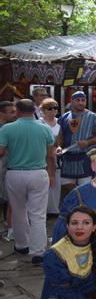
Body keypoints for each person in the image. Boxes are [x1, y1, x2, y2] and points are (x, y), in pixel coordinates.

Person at [0, 99, 56, 264]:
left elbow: (1, 151)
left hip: (15, 173)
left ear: (17, 110)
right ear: (34, 110)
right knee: (38, 214)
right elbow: (50, 155)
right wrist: (51, 174)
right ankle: (38, 252)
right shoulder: (45, 128)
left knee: (18, 211)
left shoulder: (7, 129)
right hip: (39, 173)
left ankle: (22, 245)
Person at [58, 91, 96, 188]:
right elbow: (60, 136)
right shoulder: (64, 117)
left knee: (85, 188)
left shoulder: (93, 117)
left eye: (83, 100)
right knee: (67, 187)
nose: (81, 103)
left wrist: (88, 142)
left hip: (85, 158)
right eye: (78, 100)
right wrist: (59, 147)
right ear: (72, 101)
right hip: (68, 159)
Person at [40, 98, 62, 218]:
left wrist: (59, 148)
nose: (53, 110)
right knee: (44, 184)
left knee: (55, 184)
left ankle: (54, 210)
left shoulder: (59, 122)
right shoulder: (39, 123)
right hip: (42, 157)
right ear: (43, 110)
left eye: (55, 108)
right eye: (49, 108)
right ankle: (43, 210)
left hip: (56, 157)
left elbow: (60, 141)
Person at [0, 101, 16, 239]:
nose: (14, 114)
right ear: (1, 113)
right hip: (3, 166)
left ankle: (8, 224)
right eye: (11, 112)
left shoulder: (11, 127)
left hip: (8, 167)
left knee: (8, 199)